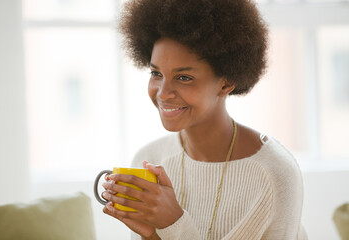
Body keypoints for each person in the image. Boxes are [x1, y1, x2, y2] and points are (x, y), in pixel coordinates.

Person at [101, 0, 308, 239]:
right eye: (156, 73)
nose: (162, 92)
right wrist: (151, 235)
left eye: (184, 77)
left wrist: (173, 222)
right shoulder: (150, 160)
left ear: (227, 82)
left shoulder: (274, 174)